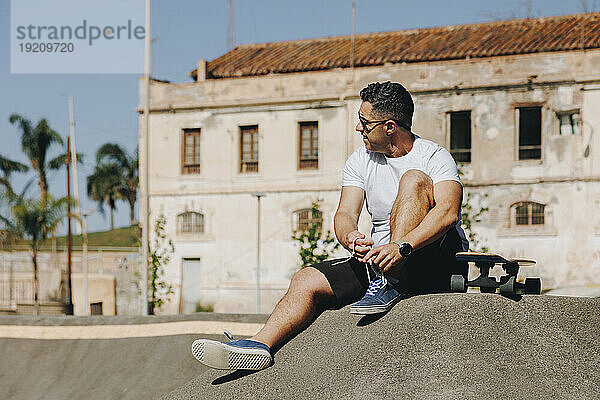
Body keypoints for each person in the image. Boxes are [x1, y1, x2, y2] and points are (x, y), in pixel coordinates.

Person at [191, 81, 468, 371]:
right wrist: (352, 238)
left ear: (389, 127)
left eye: (364, 122)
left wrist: (402, 246)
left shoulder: (433, 156)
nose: (358, 128)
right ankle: (258, 345)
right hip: (384, 262)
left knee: (413, 179)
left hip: (430, 257)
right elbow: (345, 213)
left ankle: (391, 281)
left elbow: (448, 212)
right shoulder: (361, 159)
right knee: (306, 278)